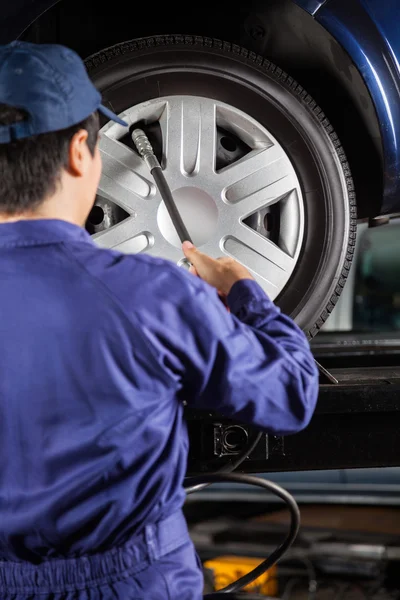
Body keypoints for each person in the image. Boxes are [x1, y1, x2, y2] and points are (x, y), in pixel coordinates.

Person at [0, 41, 319, 600]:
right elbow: (290, 395)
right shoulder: (151, 295)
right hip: (132, 583)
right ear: (80, 152)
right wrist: (244, 292)